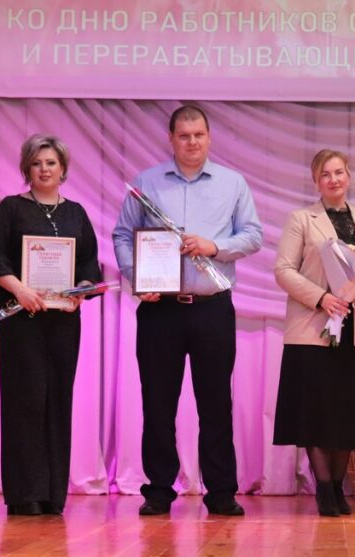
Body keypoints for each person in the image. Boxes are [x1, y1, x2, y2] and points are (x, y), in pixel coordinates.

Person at [113, 105, 263, 517]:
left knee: (215, 404)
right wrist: (137, 278)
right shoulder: (147, 182)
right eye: (184, 135)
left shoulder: (232, 183)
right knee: (158, 404)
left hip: (212, 308)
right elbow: (123, 235)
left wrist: (215, 246)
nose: (192, 142)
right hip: (160, 311)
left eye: (198, 135)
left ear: (209, 137)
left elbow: (253, 235)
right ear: (171, 139)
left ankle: (221, 491)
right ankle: (159, 490)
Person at [0, 133, 102, 516]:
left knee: (58, 400)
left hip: (63, 322)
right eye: (36, 163)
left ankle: (52, 495)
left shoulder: (76, 213)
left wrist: (81, 291)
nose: (44, 169)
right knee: (24, 401)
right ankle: (24, 494)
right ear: (26, 169)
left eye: (51, 163)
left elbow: (89, 265)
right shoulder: (11, 209)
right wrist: (21, 290)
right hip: (21, 319)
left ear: (63, 169)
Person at [273, 150, 355, 516]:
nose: (334, 179)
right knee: (315, 412)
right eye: (325, 174)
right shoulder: (301, 219)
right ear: (316, 181)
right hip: (314, 327)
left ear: (349, 176)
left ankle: (338, 487)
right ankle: (324, 489)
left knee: (348, 411)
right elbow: (283, 270)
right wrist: (322, 298)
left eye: (339, 172)